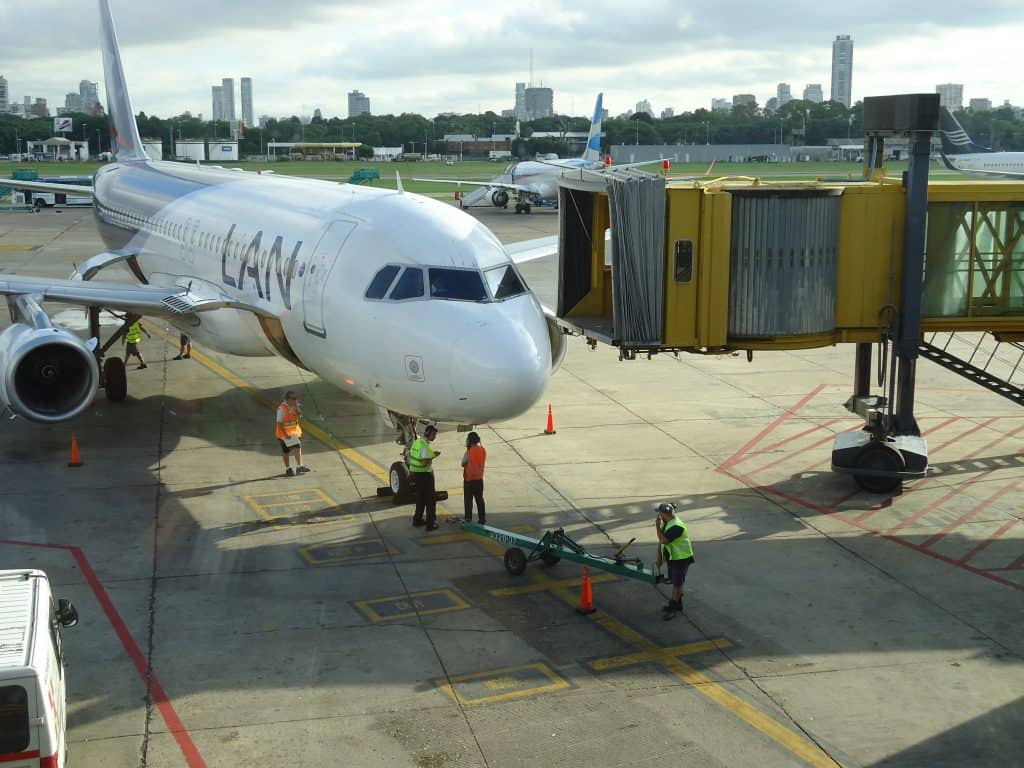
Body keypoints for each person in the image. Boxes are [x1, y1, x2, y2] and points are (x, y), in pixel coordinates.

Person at [655, 502, 695, 621]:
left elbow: (663, 540)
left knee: (677, 585)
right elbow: (660, 542)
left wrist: (657, 526)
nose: (658, 516)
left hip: (681, 559)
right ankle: (678, 604)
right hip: (673, 558)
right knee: (675, 582)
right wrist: (660, 558)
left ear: (664, 514)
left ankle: (673, 608)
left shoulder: (677, 526)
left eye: (659, 513)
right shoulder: (667, 523)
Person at [409, 425, 440, 531]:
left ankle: (417, 520)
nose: (435, 437)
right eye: (434, 434)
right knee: (430, 500)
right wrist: (433, 456)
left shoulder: (417, 442)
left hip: (416, 473)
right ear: (428, 434)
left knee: (420, 498)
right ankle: (430, 524)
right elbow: (425, 461)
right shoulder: (425, 446)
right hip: (425, 474)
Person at [276, 390, 309, 477]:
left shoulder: (295, 406)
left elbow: (299, 416)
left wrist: (297, 408)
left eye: (296, 398)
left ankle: (299, 466)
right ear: (288, 399)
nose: (296, 400)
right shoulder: (281, 409)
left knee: (297, 447)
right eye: (294, 399)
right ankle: (288, 468)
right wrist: (285, 435)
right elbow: (279, 423)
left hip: (293, 433)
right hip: (284, 434)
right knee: (286, 451)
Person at [461, 431, 486, 523]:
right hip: (479, 479)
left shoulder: (469, 452)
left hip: (469, 480)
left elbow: (463, 463)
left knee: (468, 501)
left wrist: (468, 450)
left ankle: (468, 518)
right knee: (480, 500)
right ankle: (482, 518)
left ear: (469, 441)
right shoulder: (483, 450)